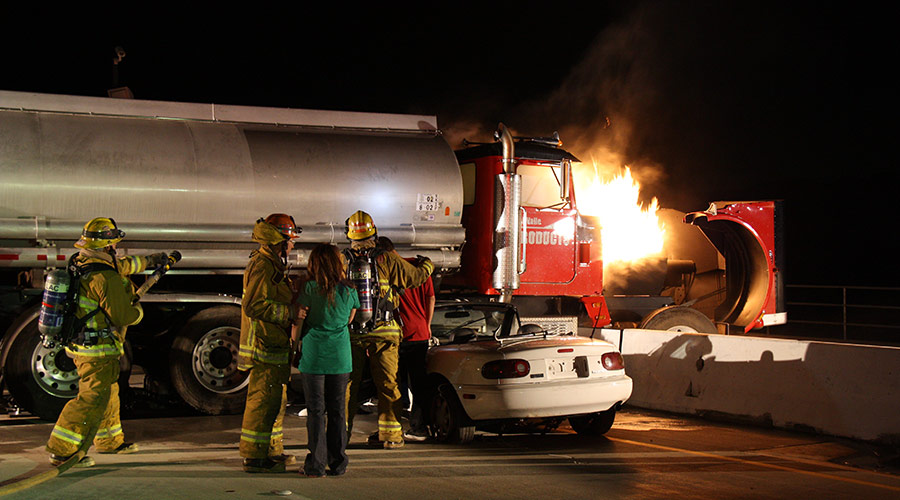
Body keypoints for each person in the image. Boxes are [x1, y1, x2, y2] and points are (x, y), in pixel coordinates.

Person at [46, 217, 170, 467]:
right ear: (108, 246)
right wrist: (138, 313)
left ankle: (109, 440)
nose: (116, 249)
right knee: (92, 397)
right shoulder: (105, 278)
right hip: (97, 350)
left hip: (84, 344)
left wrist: (151, 261)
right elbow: (123, 315)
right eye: (114, 244)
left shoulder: (81, 262)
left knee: (108, 391)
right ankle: (62, 449)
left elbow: (122, 266)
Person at [343, 210, 433, 449]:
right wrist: (428, 266)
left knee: (349, 386)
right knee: (389, 384)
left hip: (352, 334)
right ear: (374, 232)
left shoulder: (342, 261)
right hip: (385, 333)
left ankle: (341, 436)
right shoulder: (386, 259)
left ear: (349, 235)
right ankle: (391, 436)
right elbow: (413, 278)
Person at [238, 214, 305, 473]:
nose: (293, 245)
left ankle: (271, 450)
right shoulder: (263, 265)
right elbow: (254, 305)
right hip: (263, 345)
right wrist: (290, 312)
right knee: (263, 400)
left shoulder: (272, 262)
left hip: (273, 345)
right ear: (280, 240)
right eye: (290, 240)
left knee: (275, 400)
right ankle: (254, 457)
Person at [297, 244, 359, 477]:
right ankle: (339, 462)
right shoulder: (350, 290)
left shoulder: (310, 288)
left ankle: (315, 465)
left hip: (314, 356)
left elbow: (301, 320)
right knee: (337, 411)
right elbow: (350, 320)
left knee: (315, 411)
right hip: (341, 357)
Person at [378, 237, 435, 442]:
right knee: (418, 384)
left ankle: (391, 429)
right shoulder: (418, 267)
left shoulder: (388, 270)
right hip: (420, 334)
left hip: (397, 334)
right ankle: (420, 427)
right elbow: (431, 297)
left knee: (391, 383)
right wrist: (427, 325)